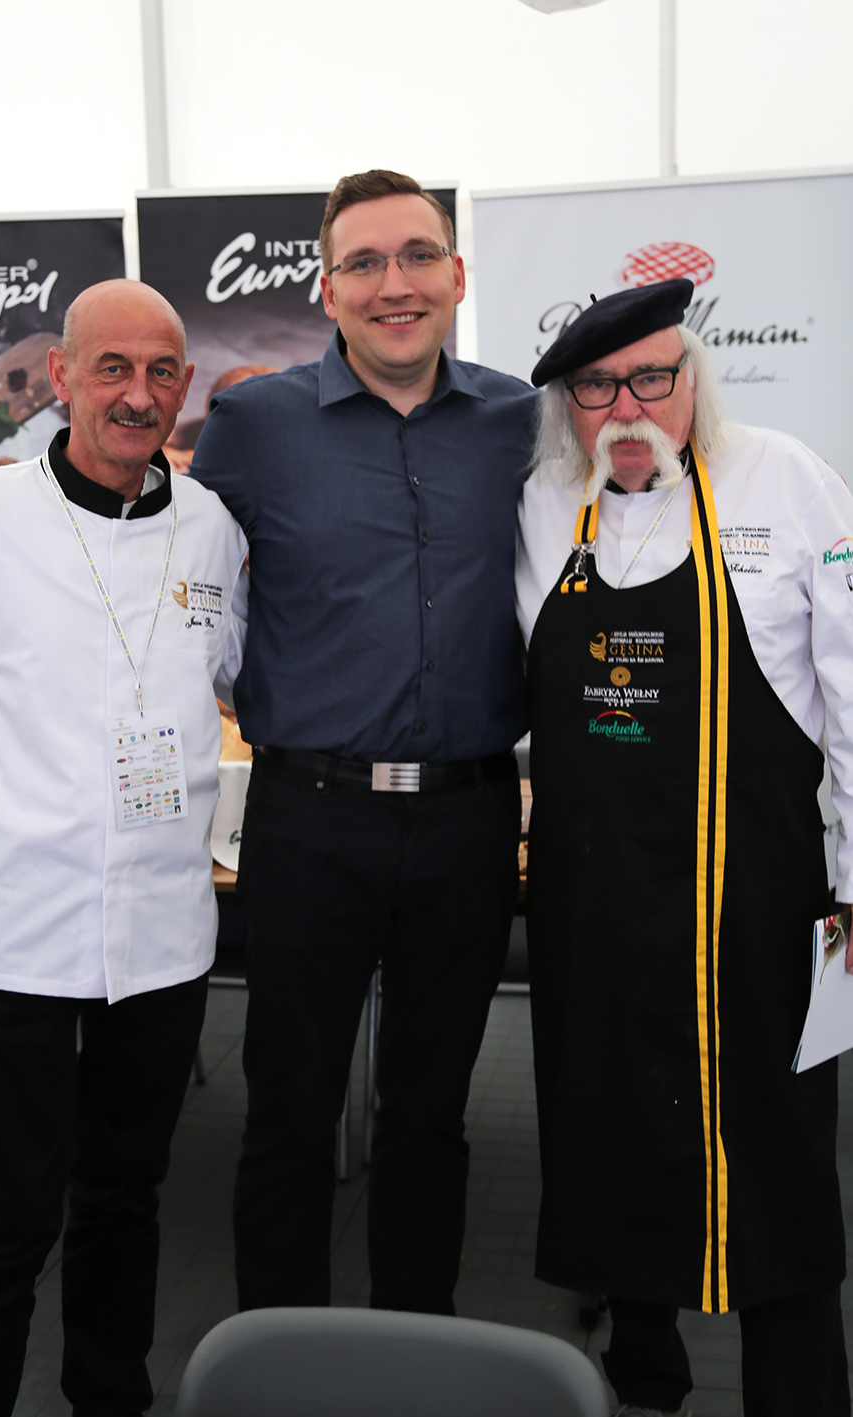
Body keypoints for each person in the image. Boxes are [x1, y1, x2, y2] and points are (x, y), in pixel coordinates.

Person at [190, 169, 538, 1314]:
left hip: (469, 819)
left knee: (430, 1117)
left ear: (457, 274)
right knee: (290, 1112)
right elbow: (170, 575)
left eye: (418, 255)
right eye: (366, 262)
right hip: (310, 816)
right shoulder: (254, 426)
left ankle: (415, 1352)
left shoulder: (520, 423)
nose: (396, 284)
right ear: (328, 286)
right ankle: (275, 1361)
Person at [517, 277, 853, 1417]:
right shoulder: (543, 509)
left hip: (757, 904)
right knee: (610, 1146)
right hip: (596, 910)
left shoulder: (785, 481)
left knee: (780, 1168)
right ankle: (643, 1384)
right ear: (567, 405)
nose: (627, 407)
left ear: (693, 379)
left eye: (651, 377)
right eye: (596, 386)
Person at [0, 279, 248, 1417]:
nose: (137, 394)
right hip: (16, 921)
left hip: (163, 931)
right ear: (61, 376)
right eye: (112, 368)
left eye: (161, 373)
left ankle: (111, 1398)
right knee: (7, 1214)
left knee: (124, 1198)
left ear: (185, 387)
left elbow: (237, 674)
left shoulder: (213, 528)